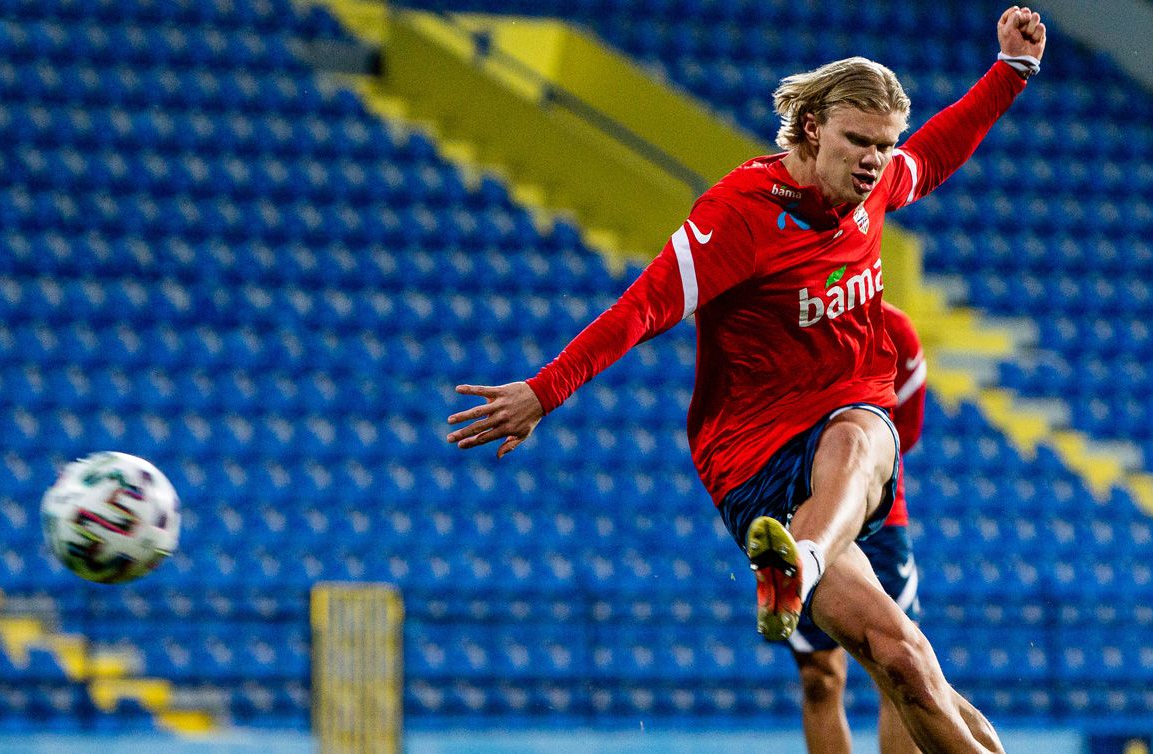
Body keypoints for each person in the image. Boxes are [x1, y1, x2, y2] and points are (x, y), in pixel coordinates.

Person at [446, 8, 1045, 752]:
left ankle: (802, 564)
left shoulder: (880, 185)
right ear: (814, 126)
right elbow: (642, 308)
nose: (873, 162)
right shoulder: (739, 217)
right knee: (903, 663)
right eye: (858, 142)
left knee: (858, 436)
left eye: (883, 147)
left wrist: (1010, 71)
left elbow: (941, 148)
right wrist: (547, 390)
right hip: (753, 466)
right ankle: (799, 563)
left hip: (844, 435)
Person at [783, 301, 927, 754]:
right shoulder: (785, 323)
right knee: (819, 678)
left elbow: (906, 434)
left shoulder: (897, 334)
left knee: (900, 671)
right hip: (802, 508)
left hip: (879, 521)